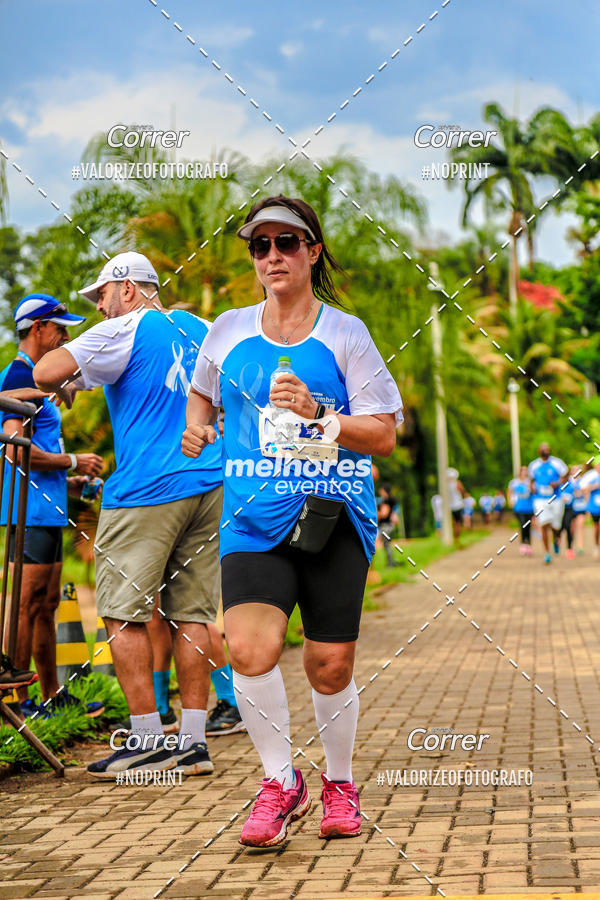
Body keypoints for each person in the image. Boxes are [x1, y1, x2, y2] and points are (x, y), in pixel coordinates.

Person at [182, 195, 402, 847]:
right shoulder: (225, 330)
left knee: (329, 665)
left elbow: (384, 434)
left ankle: (339, 783)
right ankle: (281, 783)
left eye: (286, 242)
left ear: (312, 251)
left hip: (332, 514)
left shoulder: (345, 334)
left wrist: (317, 414)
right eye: (259, 245)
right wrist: (198, 431)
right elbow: (201, 396)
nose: (272, 256)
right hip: (251, 516)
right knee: (247, 649)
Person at [34, 252, 224, 778]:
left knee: (121, 612)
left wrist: (59, 378)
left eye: (103, 296)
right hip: (209, 483)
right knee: (194, 616)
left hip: (146, 490)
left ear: (130, 291)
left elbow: (47, 369)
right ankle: (192, 744)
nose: (99, 308)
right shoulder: (202, 328)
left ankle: (145, 740)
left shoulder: (125, 327)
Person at [0, 294, 104, 718]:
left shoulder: (39, 380)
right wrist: (73, 461)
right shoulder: (16, 378)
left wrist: (71, 478)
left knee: (45, 604)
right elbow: (14, 451)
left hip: (48, 508)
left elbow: (39, 449)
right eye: (60, 328)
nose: (65, 336)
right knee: (25, 604)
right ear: (38, 328)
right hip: (26, 513)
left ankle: (50, 696)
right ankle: (19, 703)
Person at [528, 442, 568, 565]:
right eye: (543, 449)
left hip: (556, 498)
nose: (545, 450)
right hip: (540, 499)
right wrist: (532, 488)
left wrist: (557, 483)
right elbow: (531, 480)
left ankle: (556, 539)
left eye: (547, 449)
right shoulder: (534, 465)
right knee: (544, 524)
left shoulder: (557, 463)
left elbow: (566, 476)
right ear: (538, 451)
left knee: (556, 526)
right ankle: (546, 552)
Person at [508, 466, 534, 556]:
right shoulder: (514, 482)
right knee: (523, 525)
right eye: (523, 470)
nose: (524, 472)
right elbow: (510, 492)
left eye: (526, 470)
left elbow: (534, 492)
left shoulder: (530, 482)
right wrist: (510, 501)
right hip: (519, 508)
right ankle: (523, 543)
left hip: (529, 508)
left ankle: (529, 544)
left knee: (528, 526)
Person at [376, 483, 399, 567]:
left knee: (386, 545)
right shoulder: (391, 500)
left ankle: (390, 563)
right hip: (389, 525)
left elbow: (384, 514)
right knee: (387, 545)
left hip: (385, 526)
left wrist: (375, 514)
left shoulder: (386, 500)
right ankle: (391, 562)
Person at [583, 458, 600, 560]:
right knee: (596, 528)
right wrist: (594, 486)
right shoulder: (592, 478)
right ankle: (596, 546)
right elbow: (584, 489)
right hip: (594, 507)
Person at [570, 465, 588, 555]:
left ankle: (580, 547)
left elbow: (587, 493)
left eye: (577, 470)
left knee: (580, 526)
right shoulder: (569, 482)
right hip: (571, 508)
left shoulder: (583, 481)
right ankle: (570, 546)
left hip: (581, 507)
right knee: (571, 528)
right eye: (574, 470)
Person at [447, 468, 466, 542]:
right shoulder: (457, 483)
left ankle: (453, 537)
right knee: (457, 522)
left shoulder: (445, 485)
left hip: (449, 506)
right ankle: (456, 538)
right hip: (457, 505)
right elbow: (462, 491)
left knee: (452, 522)